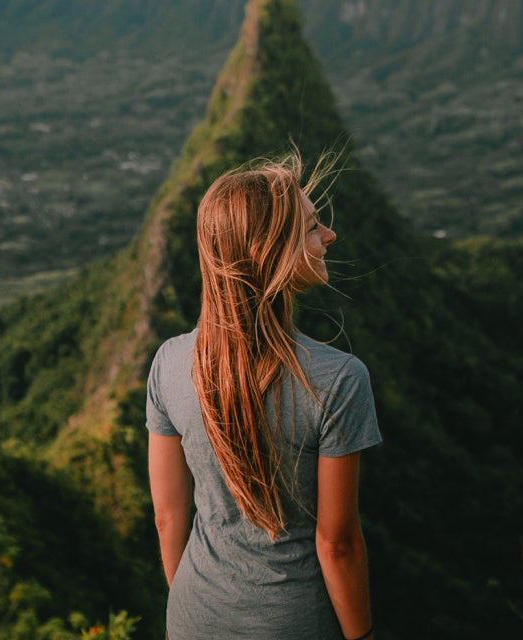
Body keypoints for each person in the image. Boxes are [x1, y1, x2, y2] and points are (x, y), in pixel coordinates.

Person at [146, 151, 381, 640]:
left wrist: (190, 610)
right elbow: (337, 544)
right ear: (269, 253)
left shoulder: (169, 363)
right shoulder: (337, 379)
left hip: (191, 614)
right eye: (313, 227)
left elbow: (169, 517)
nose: (329, 236)